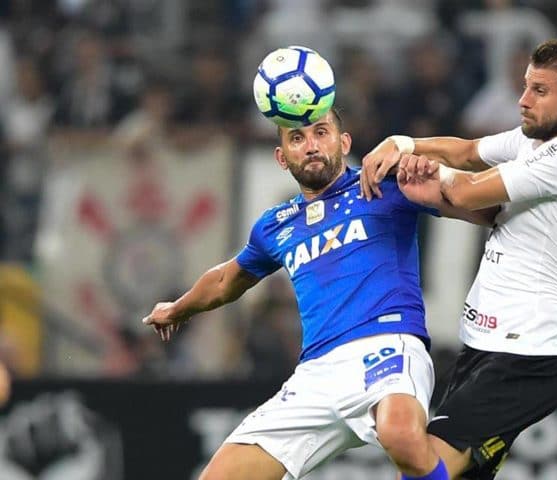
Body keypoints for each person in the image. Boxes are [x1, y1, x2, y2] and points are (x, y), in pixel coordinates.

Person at [142, 108, 493, 480]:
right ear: (282, 157)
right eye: (297, 138)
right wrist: (178, 309)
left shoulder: (386, 186)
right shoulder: (275, 225)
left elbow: (487, 211)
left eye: (321, 133)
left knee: (401, 436)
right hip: (314, 374)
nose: (310, 146)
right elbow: (227, 280)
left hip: (387, 347)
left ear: (344, 142)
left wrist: (438, 178)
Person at [361, 39, 557, 479]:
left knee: (424, 463)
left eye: (539, 90)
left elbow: (464, 187)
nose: (522, 100)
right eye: (525, 86)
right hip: (488, 344)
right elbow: (467, 155)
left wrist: (420, 168)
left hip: (526, 353)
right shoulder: (536, 142)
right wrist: (406, 145)